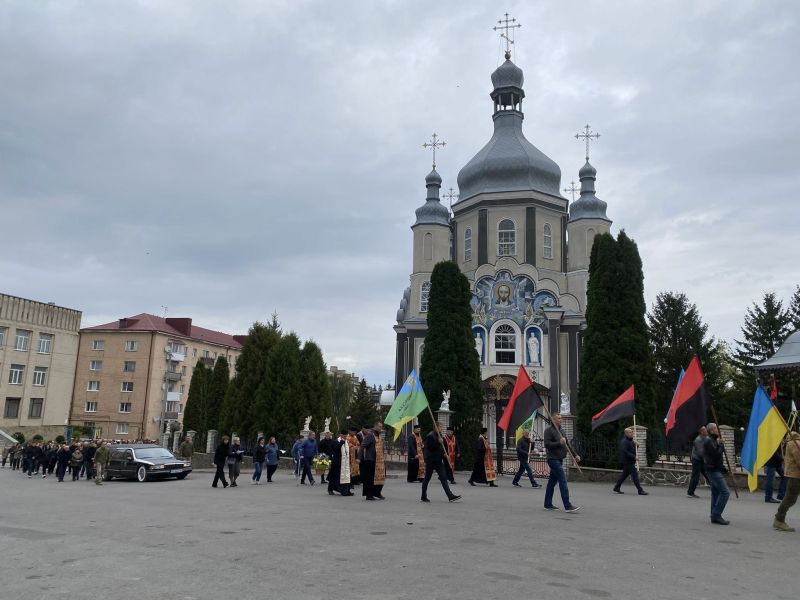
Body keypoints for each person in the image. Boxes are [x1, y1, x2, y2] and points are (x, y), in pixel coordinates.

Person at [543, 413, 581, 512]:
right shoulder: (548, 430)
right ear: (553, 420)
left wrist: (575, 455)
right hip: (552, 459)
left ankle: (547, 504)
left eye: (561, 418)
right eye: (559, 418)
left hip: (560, 459)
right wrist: (558, 443)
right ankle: (567, 506)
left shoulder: (562, 431)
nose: (561, 420)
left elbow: (567, 444)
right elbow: (547, 444)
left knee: (552, 482)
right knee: (562, 479)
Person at [421, 423, 461, 503]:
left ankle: (450, 496)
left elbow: (440, 448)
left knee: (443, 478)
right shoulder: (430, 436)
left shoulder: (439, 436)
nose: (441, 428)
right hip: (431, 461)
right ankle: (423, 495)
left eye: (441, 427)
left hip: (438, 461)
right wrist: (439, 442)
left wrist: (444, 454)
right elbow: (431, 448)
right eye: (440, 427)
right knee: (427, 479)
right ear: (436, 427)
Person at [703, 423, 730, 525]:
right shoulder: (708, 441)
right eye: (716, 429)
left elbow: (718, 459)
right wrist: (721, 445)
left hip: (715, 469)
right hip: (713, 470)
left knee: (716, 493)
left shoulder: (713, 440)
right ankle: (716, 515)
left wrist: (725, 470)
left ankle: (714, 515)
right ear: (711, 431)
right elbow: (715, 455)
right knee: (725, 492)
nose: (718, 431)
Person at [774, 431, 800, 532]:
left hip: (796, 475)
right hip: (795, 476)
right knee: (790, 499)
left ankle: (779, 519)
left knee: (790, 498)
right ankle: (779, 519)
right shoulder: (794, 443)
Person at [613, 428, 648, 495]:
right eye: (630, 432)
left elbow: (633, 450)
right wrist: (634, 457)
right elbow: (625, 451)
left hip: (630, 461)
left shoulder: (631, 441)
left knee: (623, 476)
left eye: (632, 432)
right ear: (626, 433)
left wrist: (637, 446)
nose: (632, 433)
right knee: (635, 476)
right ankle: (640, 490)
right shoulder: (624, 441)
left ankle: (616, 487)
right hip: (627, 461)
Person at [359, 422, 386, 500]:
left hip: (379, 460)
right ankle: (369, 494)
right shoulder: (370, 435)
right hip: (370, 460)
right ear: (375, 426)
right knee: (370, 478)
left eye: (381, 427)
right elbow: (362, 446)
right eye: (379, 427)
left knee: (380, 477)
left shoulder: (379, 435)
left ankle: (377, 493)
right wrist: (359, 458)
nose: (380, 428)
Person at [327, 430, 353, 496]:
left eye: (346, 435)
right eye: (344, 435)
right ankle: (330, 489)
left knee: (347, 476)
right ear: (341, 435)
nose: (345, 437)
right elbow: (335, 450)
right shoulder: (336, 441)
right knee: (334, 477)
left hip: (345, 463)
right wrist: (341, 442)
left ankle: (347, 490)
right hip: (337, 462)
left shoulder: (346, 442)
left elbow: (347, 452)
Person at [687, 426, 710, 498]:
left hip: (702, 460)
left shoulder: (707, 438)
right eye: (706, 431)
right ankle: (690, 492)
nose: (707, 432)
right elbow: (701, 453)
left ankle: (717, 490)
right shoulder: (698, 440)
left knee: (708, 474)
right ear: (702, 432)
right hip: (696, 460)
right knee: (695, 476)